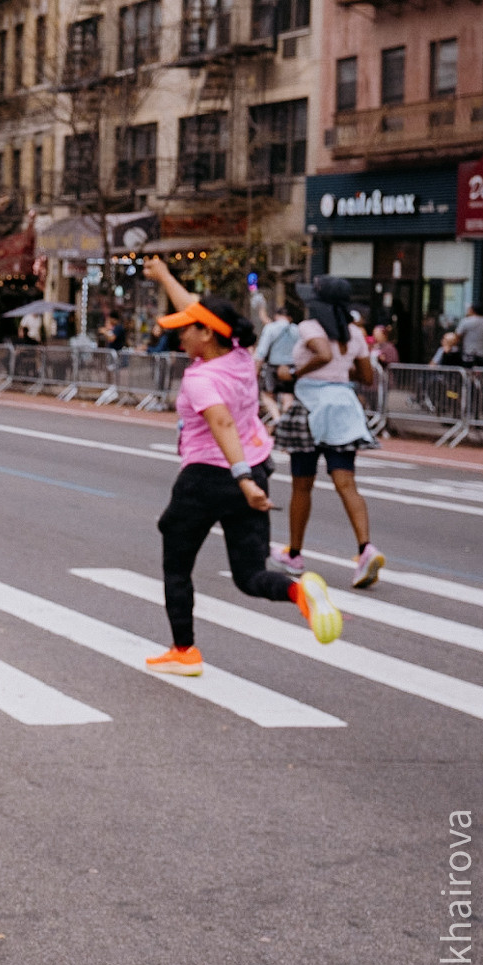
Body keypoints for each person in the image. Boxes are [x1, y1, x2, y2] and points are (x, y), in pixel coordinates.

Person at [138, 256, 342, 676]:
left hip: (209, 477)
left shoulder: (201, 379)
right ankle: (298, 592)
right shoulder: (240, 356)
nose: (179, 334)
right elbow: (198, 308)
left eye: (186, 329)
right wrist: (164, 277)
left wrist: (242, 478)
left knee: (176, 560)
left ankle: (184, 652)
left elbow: (222, 424)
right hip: (256, 465)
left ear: (206, 333)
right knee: (250, 575)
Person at [271, 277, 383, 588]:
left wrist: (293, 372)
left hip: (310, 406)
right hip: (344, 407)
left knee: (301, 485)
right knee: (346, 481)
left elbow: (322, 353)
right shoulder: (355, 333)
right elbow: (366, 376)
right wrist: (337, 370)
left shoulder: (310, 328)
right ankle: (365, 549)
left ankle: (294, 553)